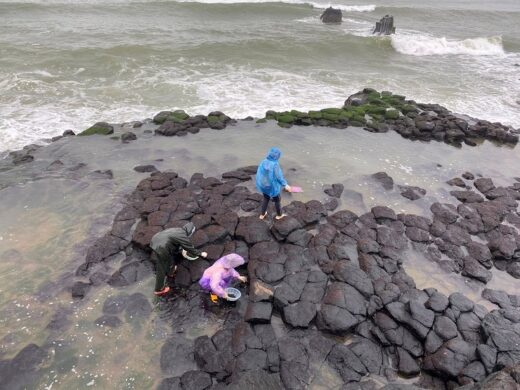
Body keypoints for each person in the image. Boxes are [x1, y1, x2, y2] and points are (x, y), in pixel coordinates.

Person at [150, 222, 207, 296]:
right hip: (161, 247)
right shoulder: (183, 235)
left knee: (168, 256)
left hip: (155, 240)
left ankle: (171, 271)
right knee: (161, 267)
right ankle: (159, 289)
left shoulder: (178, 230)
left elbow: (174, 241)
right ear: (190, 231)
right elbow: (189, 247)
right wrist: (200, 253)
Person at [255, 147, 291, 220]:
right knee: (277, 200)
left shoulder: (264, 161)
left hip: (264, 185)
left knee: (266, 198)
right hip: (272, 187)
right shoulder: (275, 165)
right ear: (277, 156)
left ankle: (262, 214)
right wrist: (285, 184)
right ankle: (279, 215)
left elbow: (261, 173)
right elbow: (279, 177)